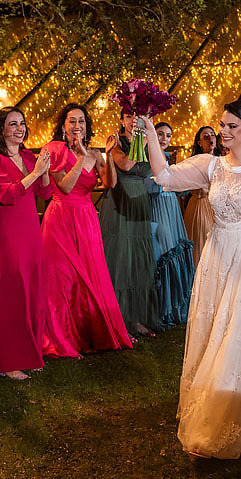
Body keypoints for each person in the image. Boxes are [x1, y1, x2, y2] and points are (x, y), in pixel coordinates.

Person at [144, 100, 241, 458]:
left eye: (231, 126)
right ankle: (224, 404)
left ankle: (230, 414)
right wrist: (151, 133)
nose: (224, 132)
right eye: (223, 125)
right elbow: (165, 176)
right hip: (217, 255)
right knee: (216, 327)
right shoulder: (210, 166)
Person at [40, 103, 131, 354]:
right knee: (62, 277)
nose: (77, 126)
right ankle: (61, 334)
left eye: (81, 121)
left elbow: (109, 184)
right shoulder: (54, 150)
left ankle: (85, 329)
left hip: (86, 217)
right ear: (63, 126)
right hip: (60, 217)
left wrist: (109, 156)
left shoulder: (95, 154)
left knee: (89, 276)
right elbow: (66, 187)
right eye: (72, 121)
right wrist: (80, 158)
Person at [0, 107, 55, 377]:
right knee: (11, 293)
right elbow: (5, 194)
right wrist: (34, 174)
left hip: (31, 231)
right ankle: (8, 362)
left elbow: (45, 192)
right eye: (13, 124)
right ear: (1, 129)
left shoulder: (28, 156)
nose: (19, 128)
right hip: (8, 232)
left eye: (22, 124)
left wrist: (44, 170)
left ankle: (27, 350)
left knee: (31, 290)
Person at [100, 111, 161, 338]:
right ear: (122, 119)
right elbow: (125, 165)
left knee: (137, 258)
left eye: (139, 115)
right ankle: (118, 319)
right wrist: (141, 139)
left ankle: (136, 318)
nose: (133, 119)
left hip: (139, 202)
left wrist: (149, 139)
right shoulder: (117, 140)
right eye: (128, 115)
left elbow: (157, 169)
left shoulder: (148, 140)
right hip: (119, 201)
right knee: (120, 258)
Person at [146, 121, 195, 328]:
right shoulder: (145, 158)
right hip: (156, 208)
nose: (164, 139)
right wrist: (167, 184)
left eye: (168, 135)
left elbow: (182, 189)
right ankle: (161, 310)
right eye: (160, 134)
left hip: (172, 210)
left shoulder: (171, 161)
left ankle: (176, 306)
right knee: (162, 255)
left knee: (175, 251)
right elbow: (148, 186)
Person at [182, 126, 217, 266]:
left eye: (212, 135)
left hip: (217, 208)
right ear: (199, 142)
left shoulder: (223, 160)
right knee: (202, 246)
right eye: (206, 136)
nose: (210, 138)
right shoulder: (194, 162)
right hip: (200, 205)